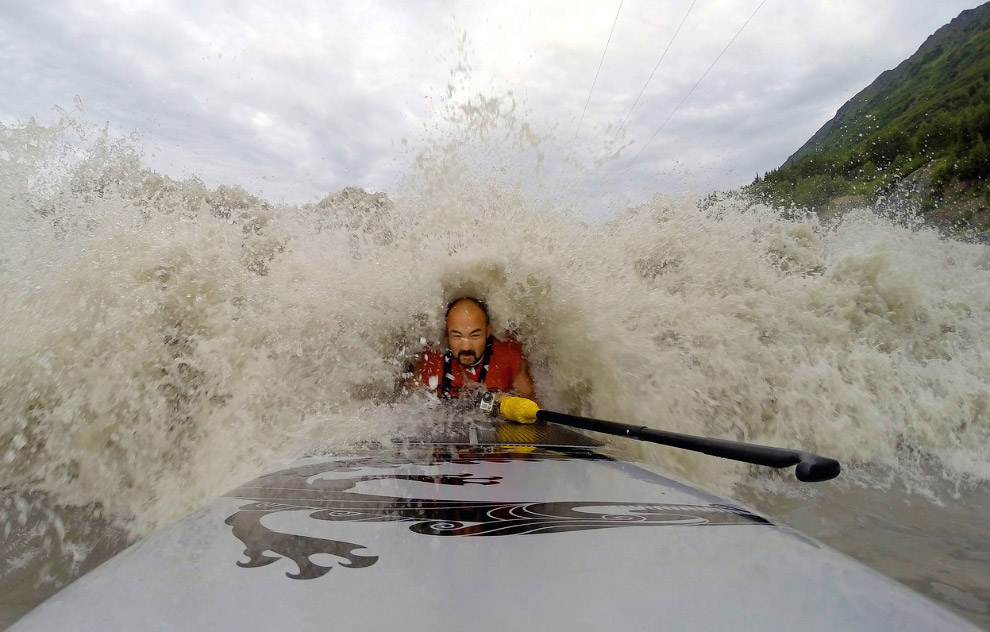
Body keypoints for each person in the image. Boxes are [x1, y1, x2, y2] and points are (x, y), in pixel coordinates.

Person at [409, 297, 535, 400]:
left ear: (488, 332)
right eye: (457, 336)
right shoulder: (428, 360)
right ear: (447, 334)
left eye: (475, 336)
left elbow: (532, 409)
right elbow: (408, 406)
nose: (466, 347)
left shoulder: (511, 358)